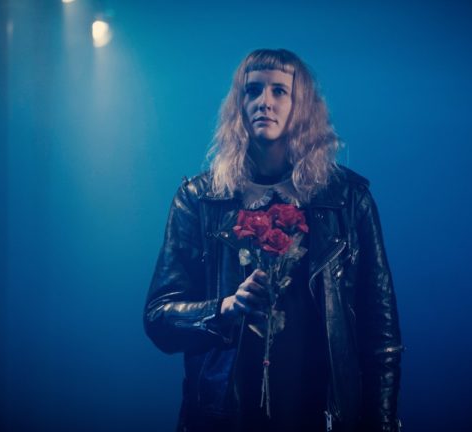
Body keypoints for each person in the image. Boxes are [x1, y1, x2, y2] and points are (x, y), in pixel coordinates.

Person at [144, 48, 402, 432]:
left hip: (322, 412)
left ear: (303, 106)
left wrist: (382, 424)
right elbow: (159, 318)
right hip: (227, 415)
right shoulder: (198, 199)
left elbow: (381, 336)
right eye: (253, 90)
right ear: (238, 104)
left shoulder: (348, 200)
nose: (264, 101)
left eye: (280, 90)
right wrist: (225, 307)